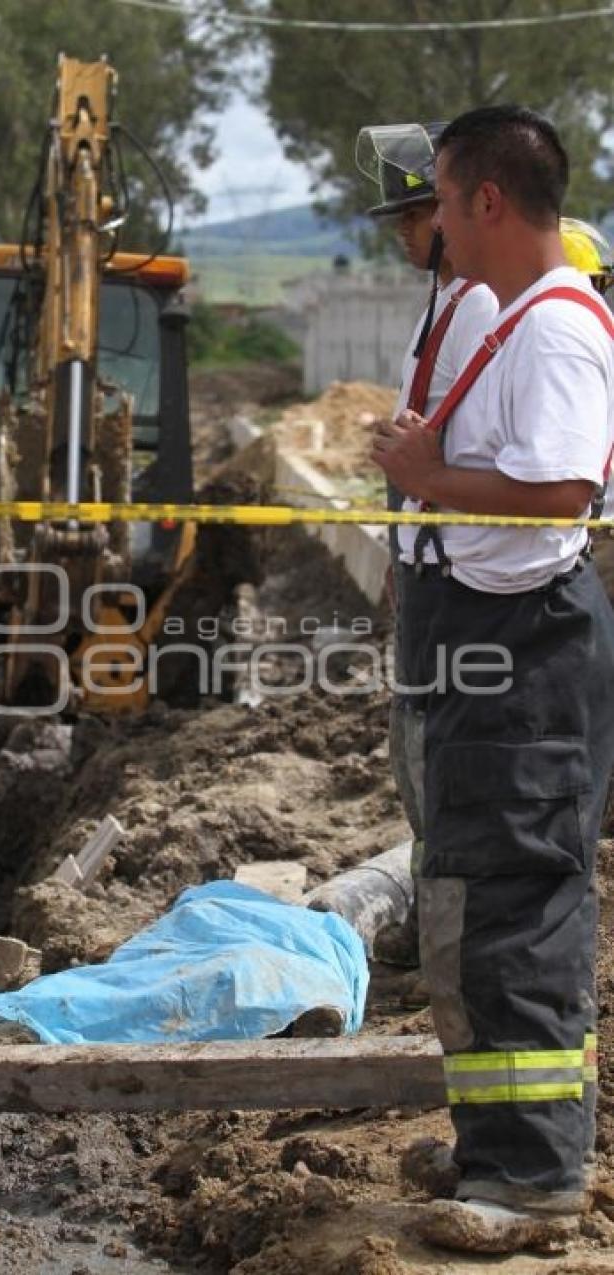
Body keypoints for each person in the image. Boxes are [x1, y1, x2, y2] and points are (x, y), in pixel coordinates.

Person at [371, 104, 614, 1255]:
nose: (429, 236)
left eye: (438, 201)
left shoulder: (556, 329)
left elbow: (565, 495)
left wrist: (426, 472)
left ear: (485, 200)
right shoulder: (512, 319)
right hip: (488, 635)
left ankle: (530, 1179)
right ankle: (495, 1147)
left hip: (522, 648)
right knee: (472, 898)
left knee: (516, 904)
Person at [356, 123, 497, 965]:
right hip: (426, 562)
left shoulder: (479, 303)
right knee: (416, 755)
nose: (403, 235)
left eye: (411, 218)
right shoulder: (440, 306)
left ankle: (457, 935)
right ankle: (441, 920)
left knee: (443, 758)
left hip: (461, 575)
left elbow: (466, 450)